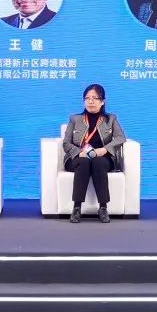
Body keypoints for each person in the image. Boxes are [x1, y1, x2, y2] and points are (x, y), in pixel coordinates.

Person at [62, 84, 126, 224]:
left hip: (102, 157)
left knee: (98, 162)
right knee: (84, 162)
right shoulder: (74, 119)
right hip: (78, 158)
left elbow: (121, 138)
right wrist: (79, 152)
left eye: (94, 98)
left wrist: (105, 149)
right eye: (87, 98)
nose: (90, 101)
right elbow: (66, 143)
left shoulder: (111, 119)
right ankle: (77, 207)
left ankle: (103, 208)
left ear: (102, 101)